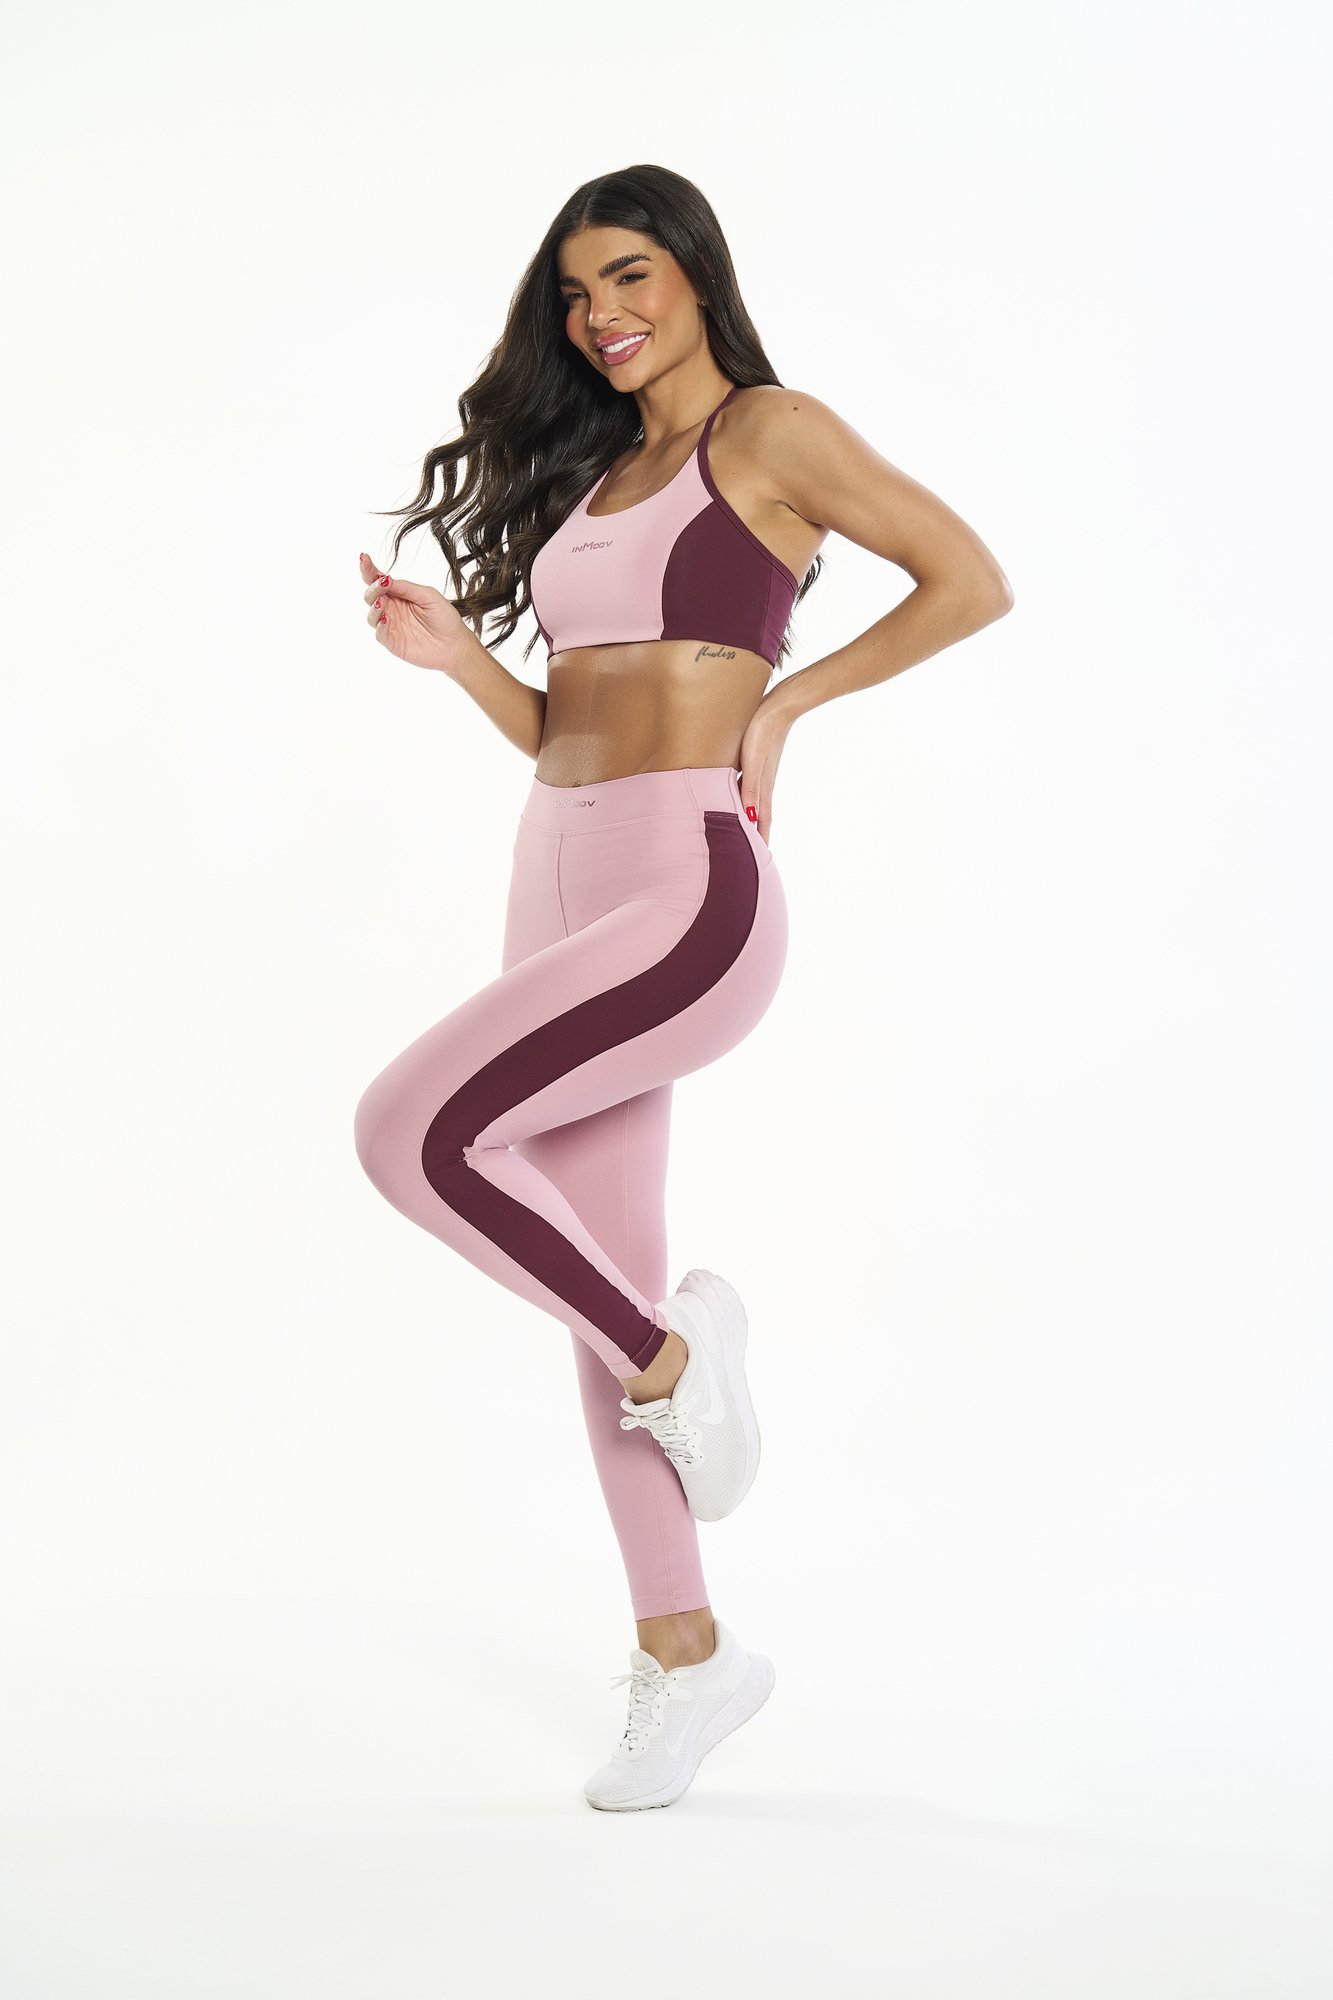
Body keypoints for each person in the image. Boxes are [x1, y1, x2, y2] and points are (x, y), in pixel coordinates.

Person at [352, 163, 1013, 1811]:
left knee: (410, 1137)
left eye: (629, 277)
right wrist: (462, 660)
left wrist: (781, 709)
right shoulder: (601, 474)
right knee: (590, 1279)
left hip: (684, 879)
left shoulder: (768, 433)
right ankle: (686, 1654)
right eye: (577, 294)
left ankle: (675, 1357)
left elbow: (968, 578)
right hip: (554, 861)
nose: (601, 316)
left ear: (696, 274)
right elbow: (570, 719)